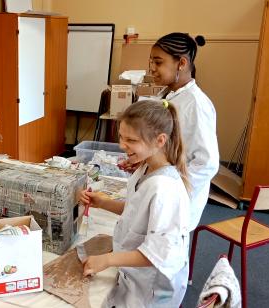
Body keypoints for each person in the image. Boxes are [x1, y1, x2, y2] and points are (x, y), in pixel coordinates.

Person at [80, 99, 191, 307]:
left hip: (151, 291)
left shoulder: (165, 189)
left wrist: (108, 259)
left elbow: (158, 254)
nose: (122, 146)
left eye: (131, 140)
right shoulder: (145, 167)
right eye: (121, 137)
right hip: (133, 276)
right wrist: (102, 203)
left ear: (160, 141)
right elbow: (136, 210)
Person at [122, 32, 220, 231]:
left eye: (158, 63)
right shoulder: (166, 94)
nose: (152, 69)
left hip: (173, 198)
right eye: (151, 62)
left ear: (181, 63)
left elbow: (207, 163)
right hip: (158, 186)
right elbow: (163, 145)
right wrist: (143, 160)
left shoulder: (196, 104)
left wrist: (170, 188)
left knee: (160, 252)